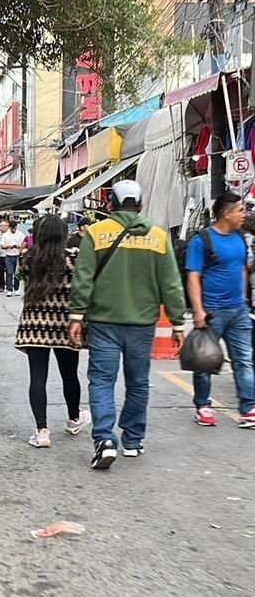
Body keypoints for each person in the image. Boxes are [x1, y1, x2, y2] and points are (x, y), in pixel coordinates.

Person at [69, 180, 186, 469]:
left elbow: (82, 279)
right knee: (138, 382)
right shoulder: (158, 238)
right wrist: (178, 323)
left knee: (102, 382)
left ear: (111, 206)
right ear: (141, 206)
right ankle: (133, 440)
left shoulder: (95, 234)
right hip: (142, 324)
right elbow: (171, 284)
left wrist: (76, 317)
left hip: (103, 323)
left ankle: (105, 440)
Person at [16, 215, 91, 447]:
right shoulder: (74, 258)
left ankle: (41, 431)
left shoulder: (27, 259)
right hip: (65, 325)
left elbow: (21, 278)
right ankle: (73, 418)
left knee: (37, 377)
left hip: (34, 326)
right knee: (69, 374)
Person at [185, 192, 255, 429]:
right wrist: (198, 311)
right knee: (204, 360)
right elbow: (193, 276)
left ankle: (248, 407)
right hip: (212, 311)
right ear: (226, 213)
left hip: (238, 311)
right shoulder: (202, 240)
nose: (243, 214)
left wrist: (244, 300)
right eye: (240, 210)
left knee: (244, 359)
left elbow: (243, 269)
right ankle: (202, 406)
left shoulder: (240, 239)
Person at [0, 220, 24, 297]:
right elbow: (2, 246)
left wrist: (18, 246)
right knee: (9, 273)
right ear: (10, 227)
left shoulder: (20, 234)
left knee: (17, 273)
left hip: (17, 256)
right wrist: (9, 246)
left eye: (15, 228)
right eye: (12, 228)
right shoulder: (6, 235)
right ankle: (9, 289)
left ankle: (16, 289)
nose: (13, 230)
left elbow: (23, 245)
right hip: (8, 255)